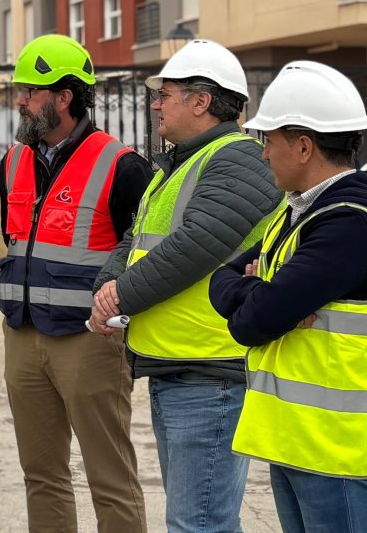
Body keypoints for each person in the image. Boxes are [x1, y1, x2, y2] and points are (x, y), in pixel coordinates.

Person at [90, 39, 282, 533]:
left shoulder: (236, 159)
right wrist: (105, 286)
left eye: (166, 94)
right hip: (178, 366)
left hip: (210, 373)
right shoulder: (178, 164)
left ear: (201, 102)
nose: (156, 103)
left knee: (199, 524)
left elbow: (197, 246)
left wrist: (119, 296)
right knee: (197, 521)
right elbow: (136, 237)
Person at [0, 34, 152, 533]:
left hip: (90, 341)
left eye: (30, 91)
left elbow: (143, 253)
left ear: (64, 97)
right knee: (41, 474)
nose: (20, 100)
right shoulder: (12, 161)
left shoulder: (122, 164)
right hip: (22, 336)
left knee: (110, 478)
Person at [209, 61, 367, 533]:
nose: (261, 156)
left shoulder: (347, 223)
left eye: (267, 142)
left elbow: (250, 323)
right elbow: (224, 279)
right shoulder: (300, 212)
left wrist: (259, 298)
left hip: (336, 453)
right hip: (296, 442)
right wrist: (258, 290)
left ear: (303, 146)